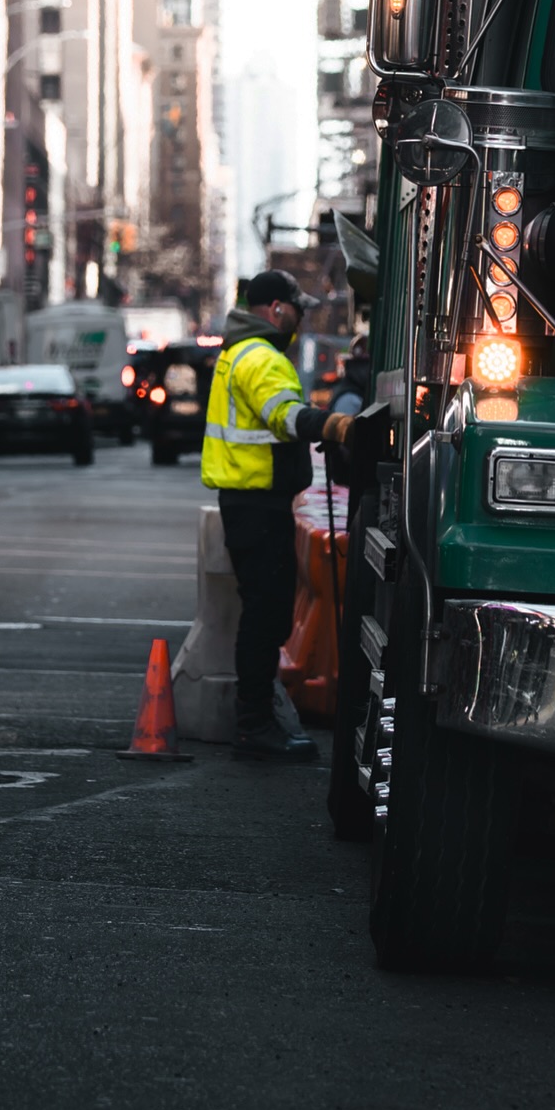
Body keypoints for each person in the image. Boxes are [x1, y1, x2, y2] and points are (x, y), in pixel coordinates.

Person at [201, 269, 355, 759]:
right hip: (257, 504)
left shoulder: (239, 351)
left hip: (251, 501)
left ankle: (257, 720)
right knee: (266, 616)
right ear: (274, 308)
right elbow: (284, 416)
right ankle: (255, 725)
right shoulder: (260, 357)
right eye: (296, 308)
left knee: (264, 613)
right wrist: (335, 426)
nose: (300, 318)